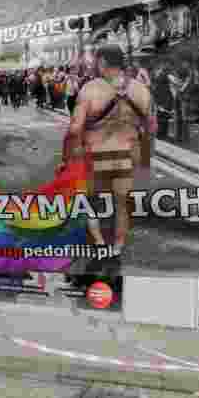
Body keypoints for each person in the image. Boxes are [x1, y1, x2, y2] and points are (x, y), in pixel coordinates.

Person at [69, 44, 152, 253]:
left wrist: (71, 155)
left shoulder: (89, 89)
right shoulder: (140, 89)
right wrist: (144, 160)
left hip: (95, 156)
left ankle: (98, 241)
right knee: (122, 205)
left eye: (97, 61)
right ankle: (118, 245)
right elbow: (151, 126)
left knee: (91, 202)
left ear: (103, 62)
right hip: (125, 156)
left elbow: (75, 128)